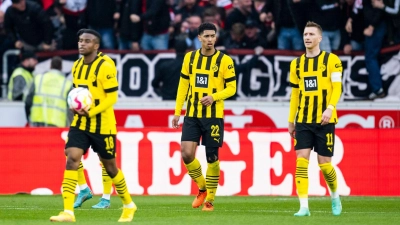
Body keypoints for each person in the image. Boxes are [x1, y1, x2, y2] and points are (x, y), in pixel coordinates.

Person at [49, 29, 137, 222]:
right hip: (80, 123)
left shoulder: (106, 65)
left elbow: (112, 97)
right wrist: (74, 106)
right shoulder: (77, 65)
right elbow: (77, 92)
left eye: (87, 41)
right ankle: (68, 212)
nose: (82, 44)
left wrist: (92, 111)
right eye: (80, 40)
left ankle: (129, 205)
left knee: (111, 167)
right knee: (72, 158)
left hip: (103, 125)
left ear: (96, 46)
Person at [172, 22, 236, 211]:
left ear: (216, 38)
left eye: (212, 36)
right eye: (206, 36)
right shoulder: (189, 58)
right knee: (186, 153)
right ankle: (202, 188)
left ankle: (210, 199)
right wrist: (177, 112)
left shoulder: (225, 61)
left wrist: (214, 97)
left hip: (214, 116)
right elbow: (183, 86)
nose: (210, 40)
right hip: (192, 114)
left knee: (212, 157)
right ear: (199, 38)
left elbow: (232, 88)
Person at [288, 21, 343, 217]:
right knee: (301, 161)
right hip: (303, 119)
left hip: (325, 120)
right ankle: (304, 207)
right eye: (305, 34)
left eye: (311, 34)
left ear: (320, 38)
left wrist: (330, 108)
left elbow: (337, 87)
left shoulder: (332, 60)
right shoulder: (296, 64)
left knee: (324, 164)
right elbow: (295, 94)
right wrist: (290, 120)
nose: (307, 37)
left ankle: (335, 195)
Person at [24, 56, 73, 127]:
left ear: (50, 66)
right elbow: (71, 108)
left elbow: (28, 101)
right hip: (57, 124)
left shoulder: (38, 79)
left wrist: (28, 118)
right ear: (61, 67)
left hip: (37, 122)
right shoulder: (67, 84)